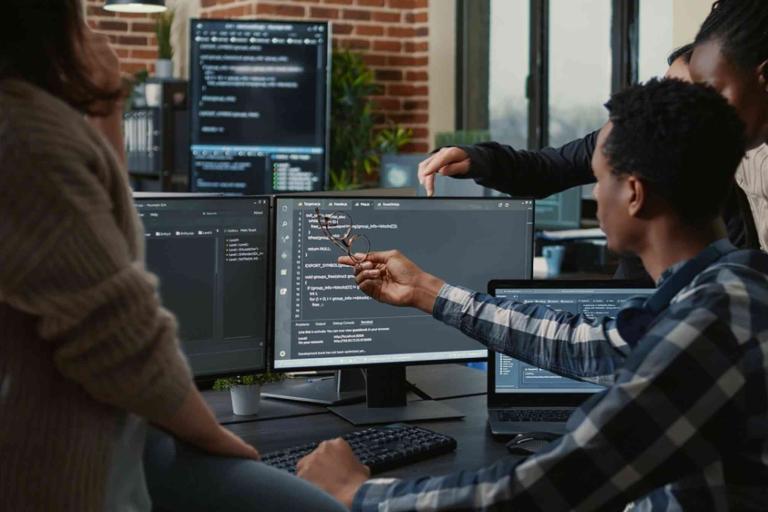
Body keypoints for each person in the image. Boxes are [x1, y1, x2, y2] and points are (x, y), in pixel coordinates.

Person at [297, 79, 768, 510]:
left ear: (634, 194)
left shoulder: (711, 326)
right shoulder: (725, 288)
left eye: (597, 179)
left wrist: (356, 493)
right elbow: (581, 343)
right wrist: (427, 291)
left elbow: (546, 490)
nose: (594, 196)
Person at [0, 2, 344, 511]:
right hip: (62, 455)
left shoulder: (36, 120)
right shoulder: (24, 132)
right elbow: (118, 335)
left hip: (125, 428)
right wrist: (213, 437)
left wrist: (106, 100)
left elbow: (111, 215)